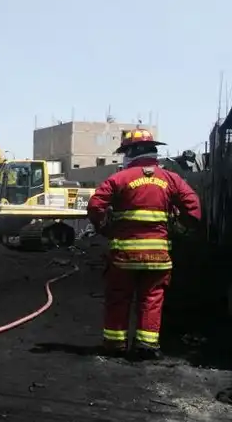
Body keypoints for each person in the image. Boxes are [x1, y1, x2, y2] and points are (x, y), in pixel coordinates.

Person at [86, 128, 201, 359]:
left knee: (119, 297)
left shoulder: (118, 178)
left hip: (124, 257)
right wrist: (180, 229)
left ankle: (115, 346)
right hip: (158, 256)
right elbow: (194, 208)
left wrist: (105, 228)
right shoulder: (171, 179)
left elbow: (95, 206)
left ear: (130, 152)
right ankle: (147, 347)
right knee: (152, 298)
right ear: (153, 151)